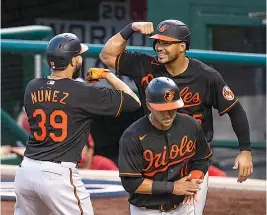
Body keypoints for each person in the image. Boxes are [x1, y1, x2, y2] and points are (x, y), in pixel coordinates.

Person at [99, 19, 253, 214]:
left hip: (191, 160)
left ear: (182, 47)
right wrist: (130, 29)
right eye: (157, 42)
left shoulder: (205, 76)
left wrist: (245, 151)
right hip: (154, 157)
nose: (159, 47)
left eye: (166, 43)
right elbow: (107, 55)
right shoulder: (145, 65)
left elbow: (235, 110)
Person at [14, 33, 141, 215]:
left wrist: (87, 89)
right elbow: (133, 101)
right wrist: (108, 76)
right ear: (72, 61)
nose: (80, 59)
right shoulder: (83, 92)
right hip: (58, 175)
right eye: (78, 56)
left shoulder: (32, 86)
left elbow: (61, 97)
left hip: (26, 171)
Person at [118, 77, 212, 214]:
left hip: (183, 207)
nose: (168, 114)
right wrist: (173, 187)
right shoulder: (132, 136)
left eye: (173, 108)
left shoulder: (191, 126)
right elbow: (131, 183)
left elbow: (202, 159)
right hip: (147, 210)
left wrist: (192, 183)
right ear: (149, 105)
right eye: (162, 109)